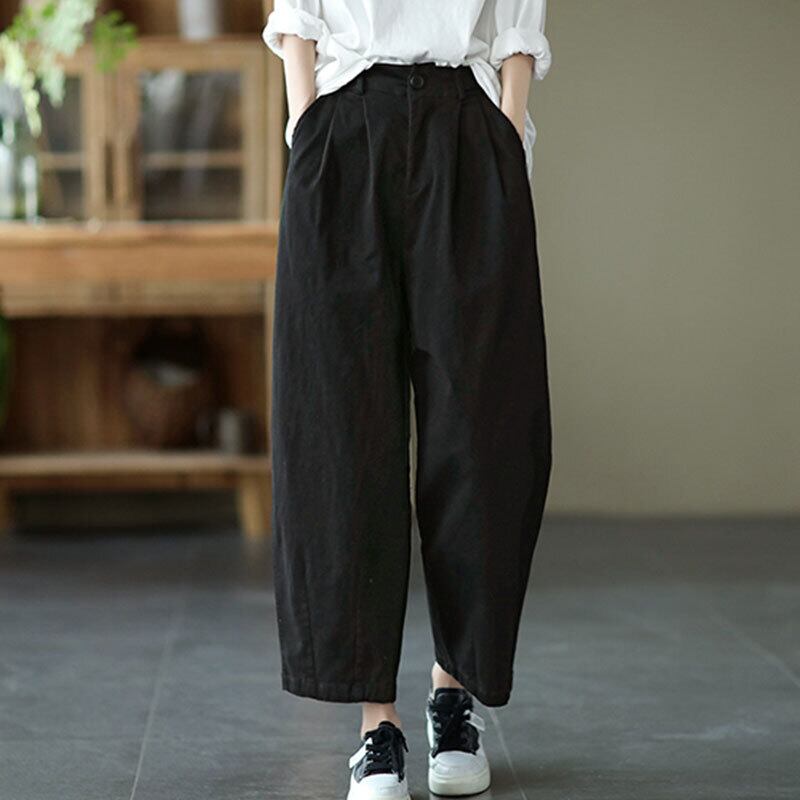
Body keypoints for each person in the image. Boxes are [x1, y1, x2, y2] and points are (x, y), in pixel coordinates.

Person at [263, 1, 553, 797]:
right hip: (343, 127)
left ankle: (453, 695)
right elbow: (297, 15)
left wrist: (507, 135)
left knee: (484, 431)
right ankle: (376, 726)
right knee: (342, 431)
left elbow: (517, 22)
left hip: (468, 127)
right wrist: (306, 125)